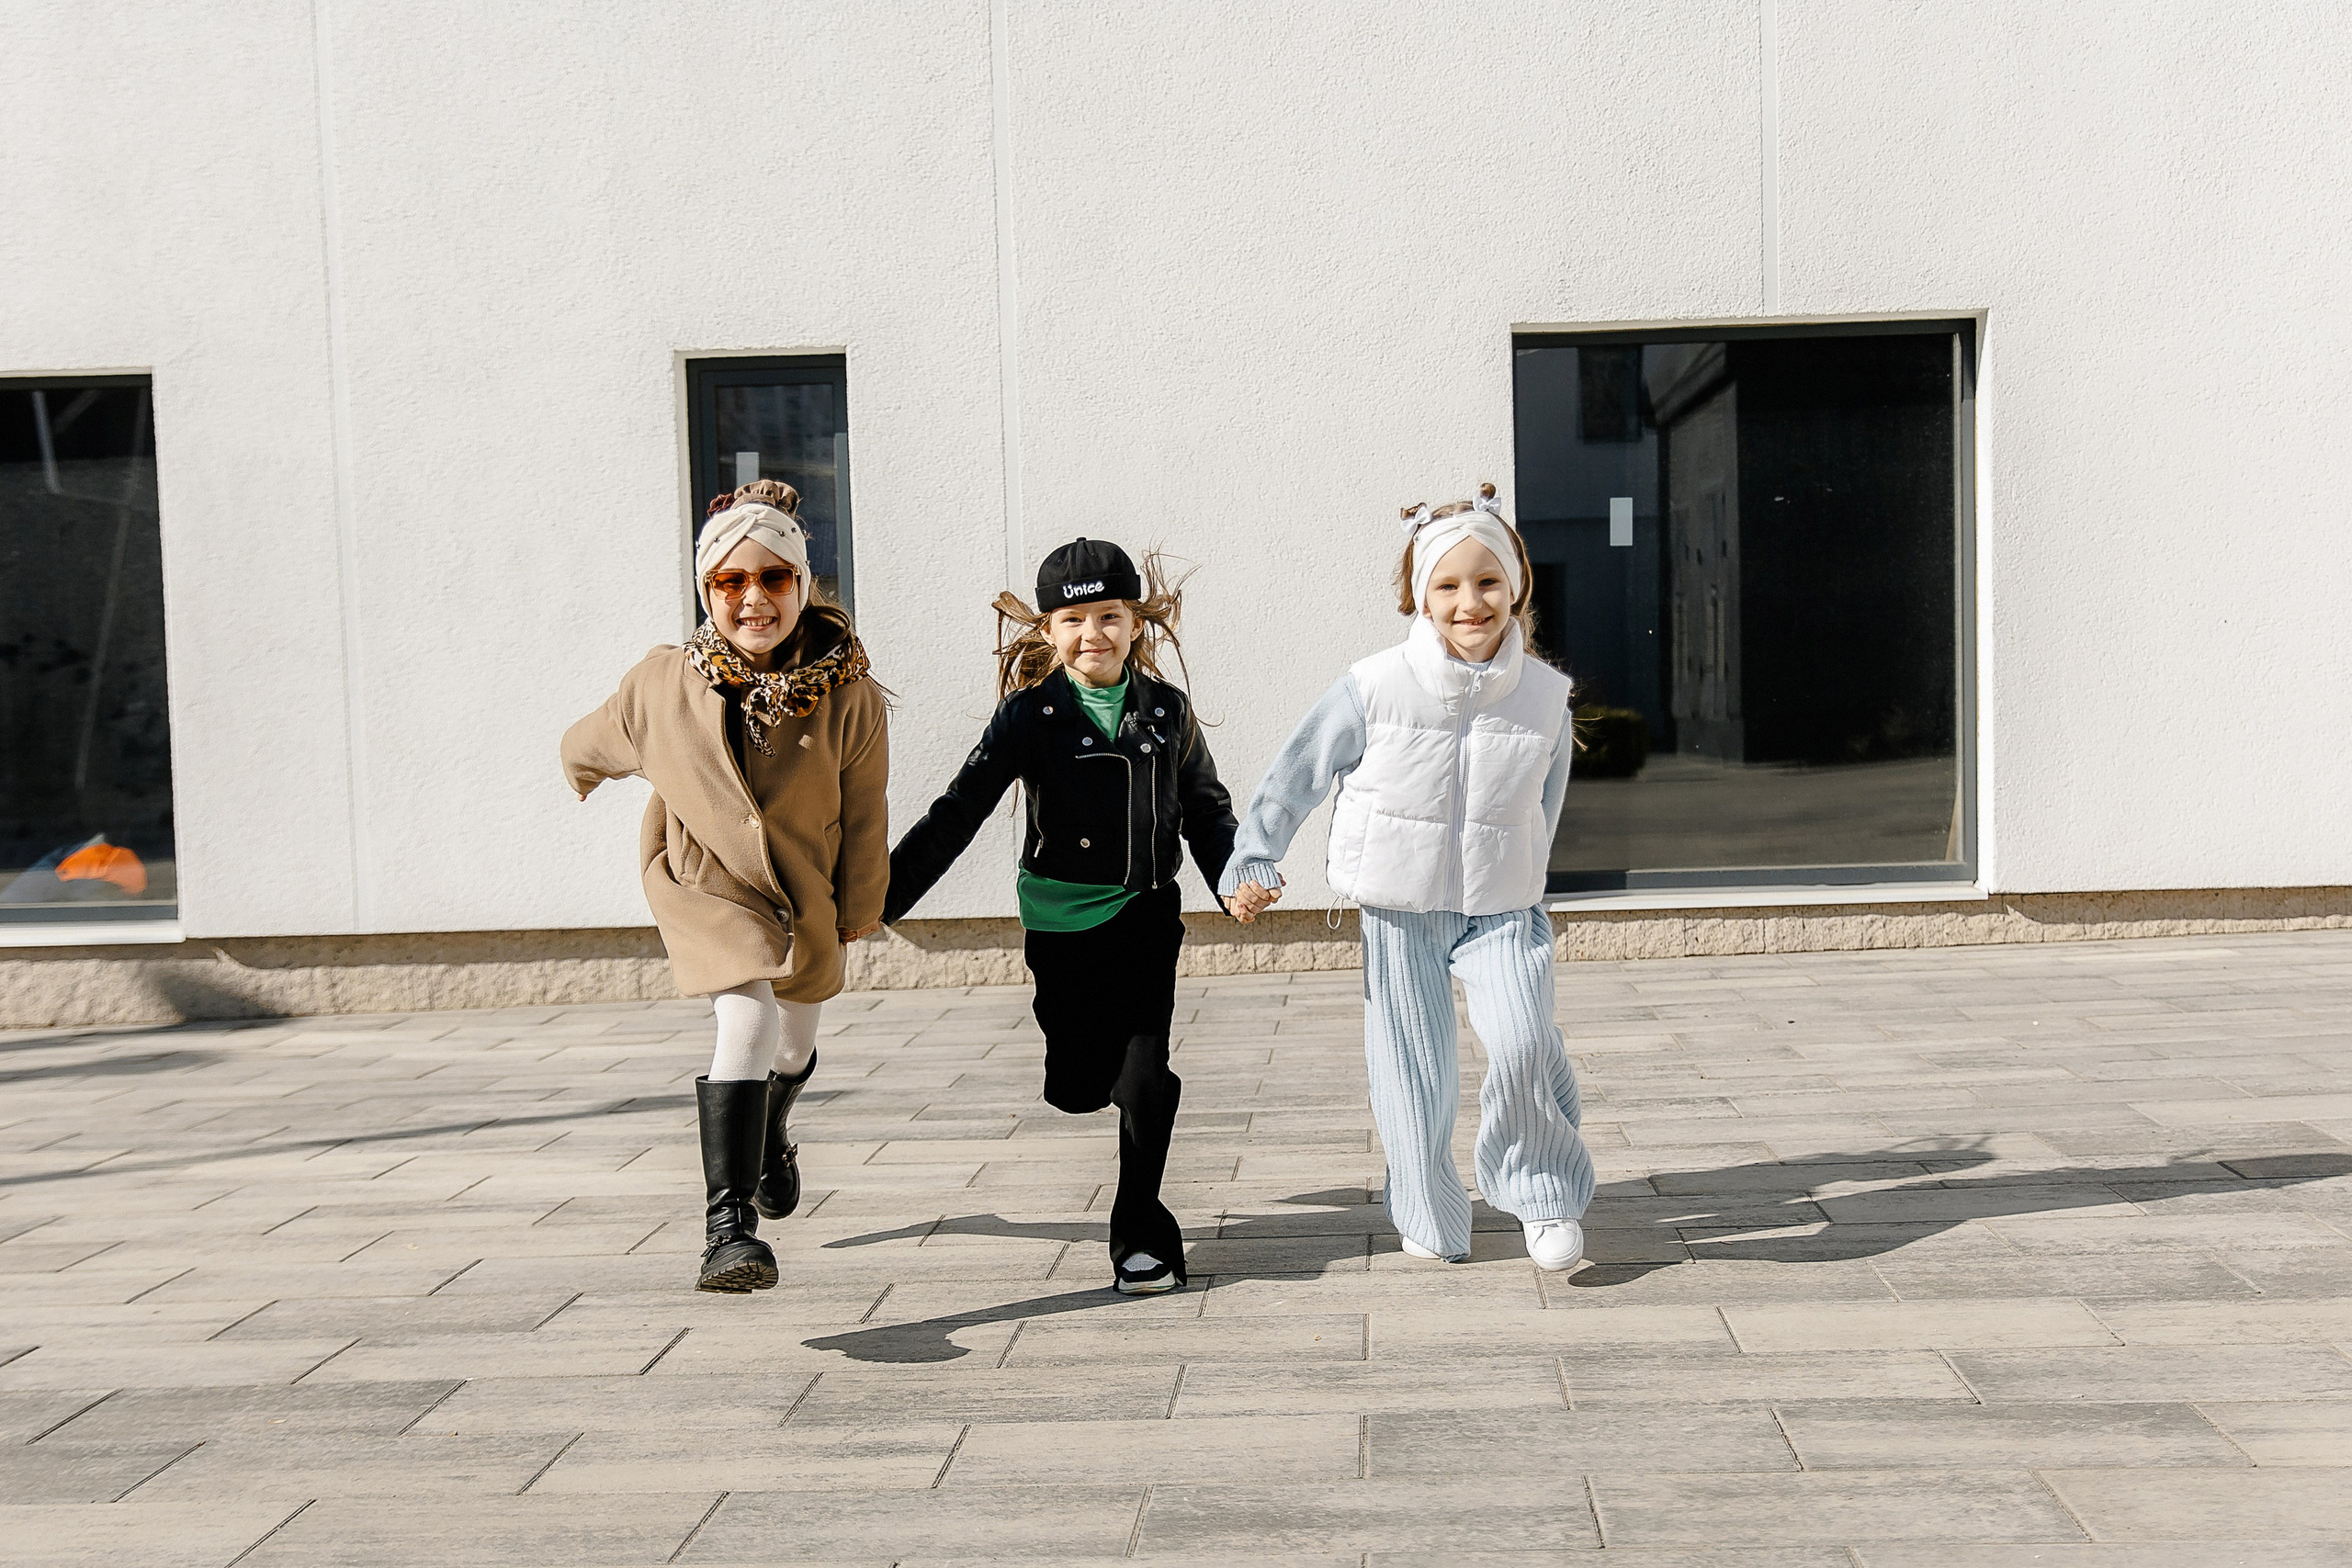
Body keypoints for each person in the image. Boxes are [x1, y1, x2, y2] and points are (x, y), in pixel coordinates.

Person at [1220, 484, 1593, 1271]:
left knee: (1524, 1039)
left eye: (1487, 581)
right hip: (1400, 907)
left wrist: (1526, 878)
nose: (1470, 602)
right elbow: (1297, 774)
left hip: (1503, 906)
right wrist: (1255, 855)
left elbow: (1544, 805)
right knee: (1413, 1068)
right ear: (1421, 596)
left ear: (1517, 586)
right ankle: (1429, 1211)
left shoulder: (1544, 699)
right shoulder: (1375, 686)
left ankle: (1543, 1193)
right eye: (1448, 585)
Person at [884, 539, 1237, 1294]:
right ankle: (1103, 1088)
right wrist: (881, 898)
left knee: (1145, 1074)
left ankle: (1140, 1234)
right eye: (1073, 620)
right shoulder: (1029, 716)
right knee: (1078, 1085)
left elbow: (1207, 808)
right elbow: (958, 811)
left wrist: (1234, 879)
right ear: (1048, 630)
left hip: (1145, 912)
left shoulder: (1166, 711)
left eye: (1108, 615)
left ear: (1134, 621)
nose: (1092, 633)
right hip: (1062, 925)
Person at [561, 479, 888, 1293]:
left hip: (802, 890)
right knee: (748, 1017)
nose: (753, 598)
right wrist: (579, 768)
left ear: (802, 584)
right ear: (707, 589)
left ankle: (771, 1123)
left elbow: (866, 807)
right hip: (703, 878)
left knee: (793, 1043)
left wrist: (860, 905)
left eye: (773, 577)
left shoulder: (850, 694)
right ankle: (729, 1229)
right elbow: (596, 734)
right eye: (730, 580)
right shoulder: (661, 683)